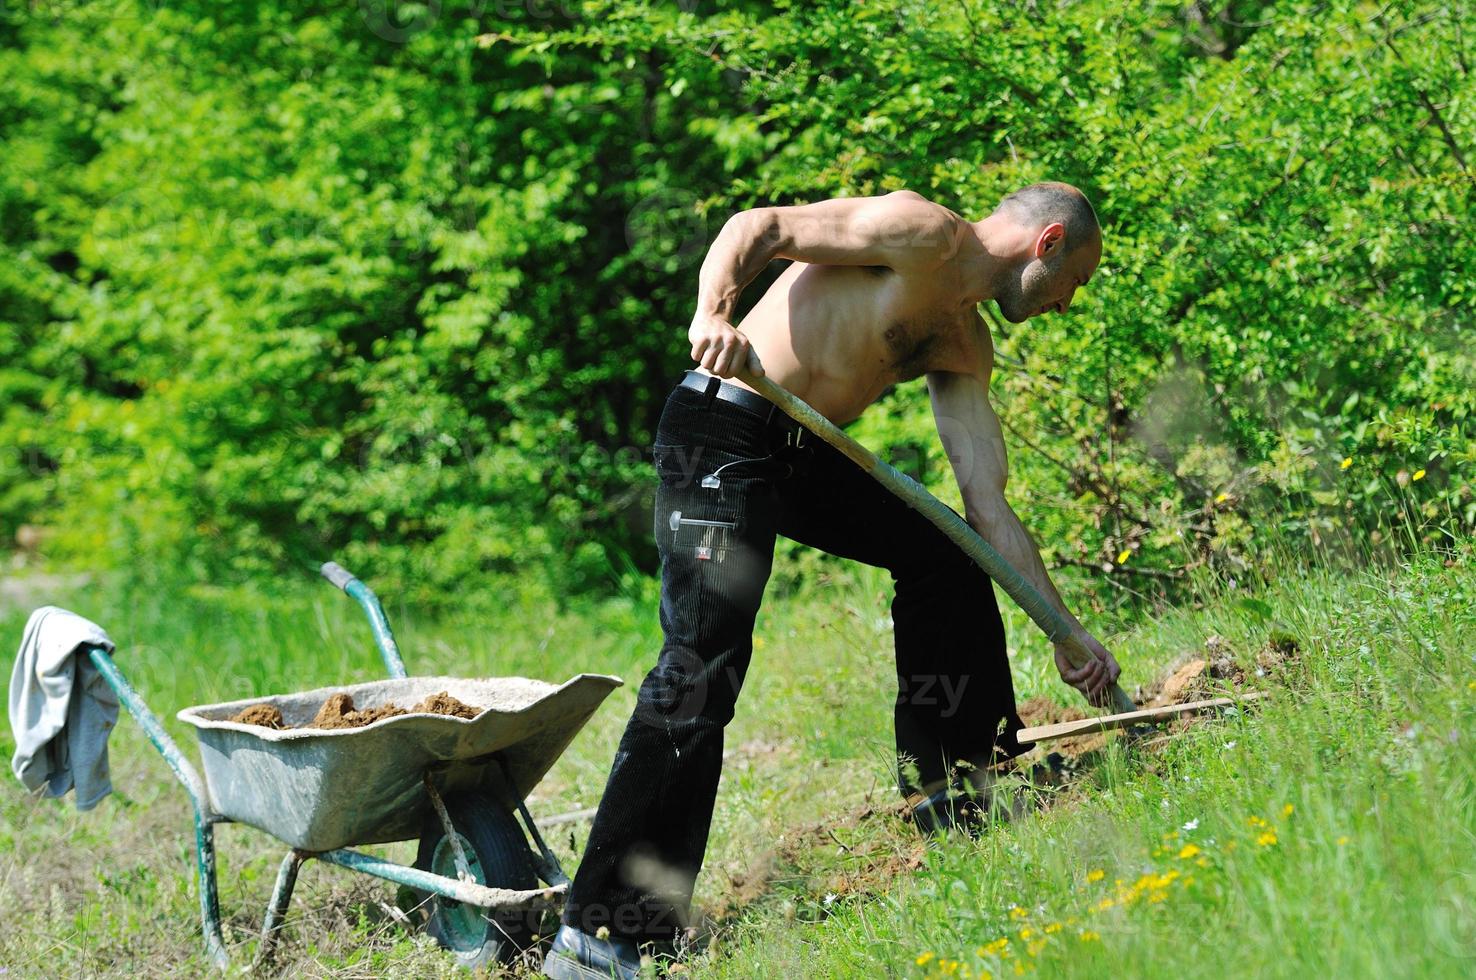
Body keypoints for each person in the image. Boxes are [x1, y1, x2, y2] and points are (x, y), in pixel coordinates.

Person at [543, 182, 1122, 979]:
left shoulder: (964, 342)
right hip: (722, 421)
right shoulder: (922, 233)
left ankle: (952, 790)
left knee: (945, 555)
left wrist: (1067, 633)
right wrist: (713, 313)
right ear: (1047, 242)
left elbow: (987, 509)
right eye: (1075, 284)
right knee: (703, 661)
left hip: (801, 451)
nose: (1066, 305)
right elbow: (761, 226)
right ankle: (599, 934)